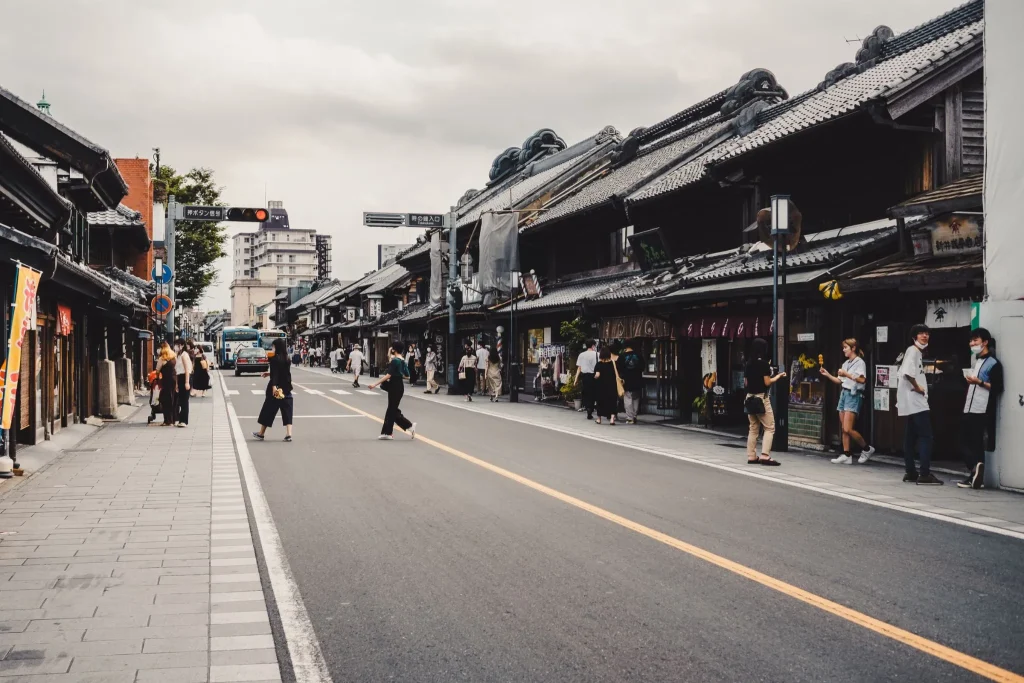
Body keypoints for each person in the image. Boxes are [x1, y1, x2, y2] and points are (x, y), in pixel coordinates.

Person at [958, 328, 1002, 489]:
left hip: (982, 408)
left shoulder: (993, 364)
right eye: (971, 341)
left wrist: (980, 382)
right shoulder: (977, 361)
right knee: (965, 440)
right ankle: (976, 470)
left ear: (985, 342)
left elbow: (997, 387)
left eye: (975, 340)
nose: (972, 344)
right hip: (969, 406)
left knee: (974, 441)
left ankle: (975, 474)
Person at [897, 324, 941, 485]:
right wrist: (917, 387)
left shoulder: (916, 352)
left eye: (927, 333)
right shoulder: (913, 351)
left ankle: (910, 472)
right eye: (921, 333)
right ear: (914, 337)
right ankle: (924, 473)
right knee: (926, 436)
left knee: (910, 437)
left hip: (910, 401)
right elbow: (907, 373)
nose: (925, 336)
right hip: (916, 401)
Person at [820, 338, 875, 465]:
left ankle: (867, 448)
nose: (844, 350)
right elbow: (839, 380)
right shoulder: (846, 363)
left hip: (854, 394)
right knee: (843, 428)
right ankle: (847, 454)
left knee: (848, 428)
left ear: (853, 348)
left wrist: (846, 374)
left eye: (846, 347)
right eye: (843, 347)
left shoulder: (860, 362)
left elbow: (862, 380)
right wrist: (827, 374)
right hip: (844, 393)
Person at [744, 337, 786, 466]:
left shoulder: (748, 363)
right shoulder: (764, 364)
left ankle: (751, 456)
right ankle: (765, 455)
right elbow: (767, 382)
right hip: (761, 398)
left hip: (749, 397)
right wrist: (778, 376)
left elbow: (746, 383)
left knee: (753, 428)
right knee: (769, 427)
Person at [369, 342, 416, 441]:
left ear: (394, 349)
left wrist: (375, 384)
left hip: (394, 386)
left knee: (392, 410)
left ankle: (394, 431)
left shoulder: (395, 361)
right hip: (399, 386)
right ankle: (390, 432)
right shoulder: (402, 360)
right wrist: (398, 374)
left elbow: (388, 375)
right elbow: (407, 376)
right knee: (392, 409)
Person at [253, 338, 294, 443]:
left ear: (277, 347)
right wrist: (269, 374)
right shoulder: (287, 359)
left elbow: (275, 374)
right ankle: (289, 434)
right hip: (286, 388)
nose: (272, 348)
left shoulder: (274, 359)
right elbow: (283, 373)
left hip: (276, 389)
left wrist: (274, 386)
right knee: (287, 411)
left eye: (273, 346)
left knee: (268, 410)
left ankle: (261, 433)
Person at [617, 340, 644, 424]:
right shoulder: (639, 355)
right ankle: (635, 415)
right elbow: (643, 367)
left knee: (628, 398)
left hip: (626, 380)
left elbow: (618, 368)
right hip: (637, 379)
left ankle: (630, 417)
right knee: (636, 398)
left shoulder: (622, 356)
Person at [593, 347, 620, 425]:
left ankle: (599, 419)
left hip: (601, 386)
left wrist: (594, 377)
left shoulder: (599, 364)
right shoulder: (613, 363)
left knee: (600, 401)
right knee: (612, 401)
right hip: (612, 386)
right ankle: (612, 419)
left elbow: (597, 375)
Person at [574, 340, 599, 419]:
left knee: (586, 393)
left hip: (585, 376)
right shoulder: (597, 354)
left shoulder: (581, 355)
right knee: (594, 393)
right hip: (594, 376)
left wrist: (576, 379)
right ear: (593, 345)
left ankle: (588, 408)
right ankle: (591, 408)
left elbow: (579, 368)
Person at [173, 338, 193, 428]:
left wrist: (187, 382)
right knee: (181, 400)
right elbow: (177, 371)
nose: (176, 347)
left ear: (182, 345)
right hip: (180, 377)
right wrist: (177, 384)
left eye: (177, 345)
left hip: (185, 377)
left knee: (184, 400)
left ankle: (184, 421)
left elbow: (187, 369)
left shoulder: (184, 355)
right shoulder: (178, 355)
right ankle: (181, 419)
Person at [157, 342, 177, 427]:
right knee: (173, 399)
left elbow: (157, 370)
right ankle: (173, 419)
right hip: (174, 380)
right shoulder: (174, 357)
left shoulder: (162, 359)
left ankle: (167, 420)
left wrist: (157, 377)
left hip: (166, 381)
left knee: (165, 399)